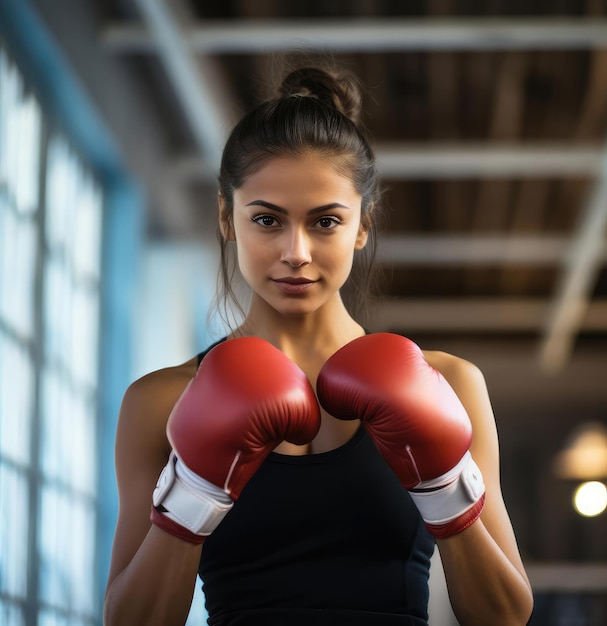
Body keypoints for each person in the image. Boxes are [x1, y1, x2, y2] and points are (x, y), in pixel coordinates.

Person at [103, 63, 534, 626]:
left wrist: (446, 489)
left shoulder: (449, 384)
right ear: (227, 218)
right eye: (267, 220)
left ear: (362, 226)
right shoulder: (160, 401)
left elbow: (503, 617)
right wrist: (194, 493)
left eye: (326, 221)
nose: (296, 251)